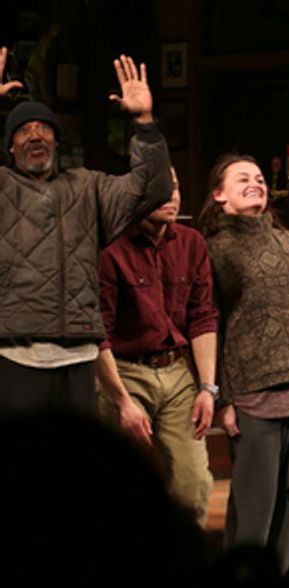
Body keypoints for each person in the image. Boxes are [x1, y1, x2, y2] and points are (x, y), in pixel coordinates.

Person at [1, 50, 172, 414]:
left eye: (44, 128)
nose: (35, 135)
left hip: (79, 360)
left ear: (57, 142)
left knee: (76, 467)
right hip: (14, 358)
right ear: (10, 146)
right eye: (24, 130)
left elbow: (151, 190)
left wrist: (145, 123)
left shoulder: (87, 187)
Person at [197, 154, 289, 570]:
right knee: (254, 514)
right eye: (242, 179)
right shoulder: (215, 248)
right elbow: (210, 322)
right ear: (219, 194)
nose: (255, 183)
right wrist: (224, 397)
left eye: (258, 178)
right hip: (255, 392)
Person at [94, 167, 219, 527]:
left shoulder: (192, 242)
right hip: (124, 370)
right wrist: (121, 400)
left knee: (192, 488)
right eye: (160, 187)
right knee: (120, 489)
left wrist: (208, 388)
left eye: (176, 186)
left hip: (176, 370)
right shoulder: (111, 248)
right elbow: (98, 331)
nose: (172, 194)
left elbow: (203, 316)